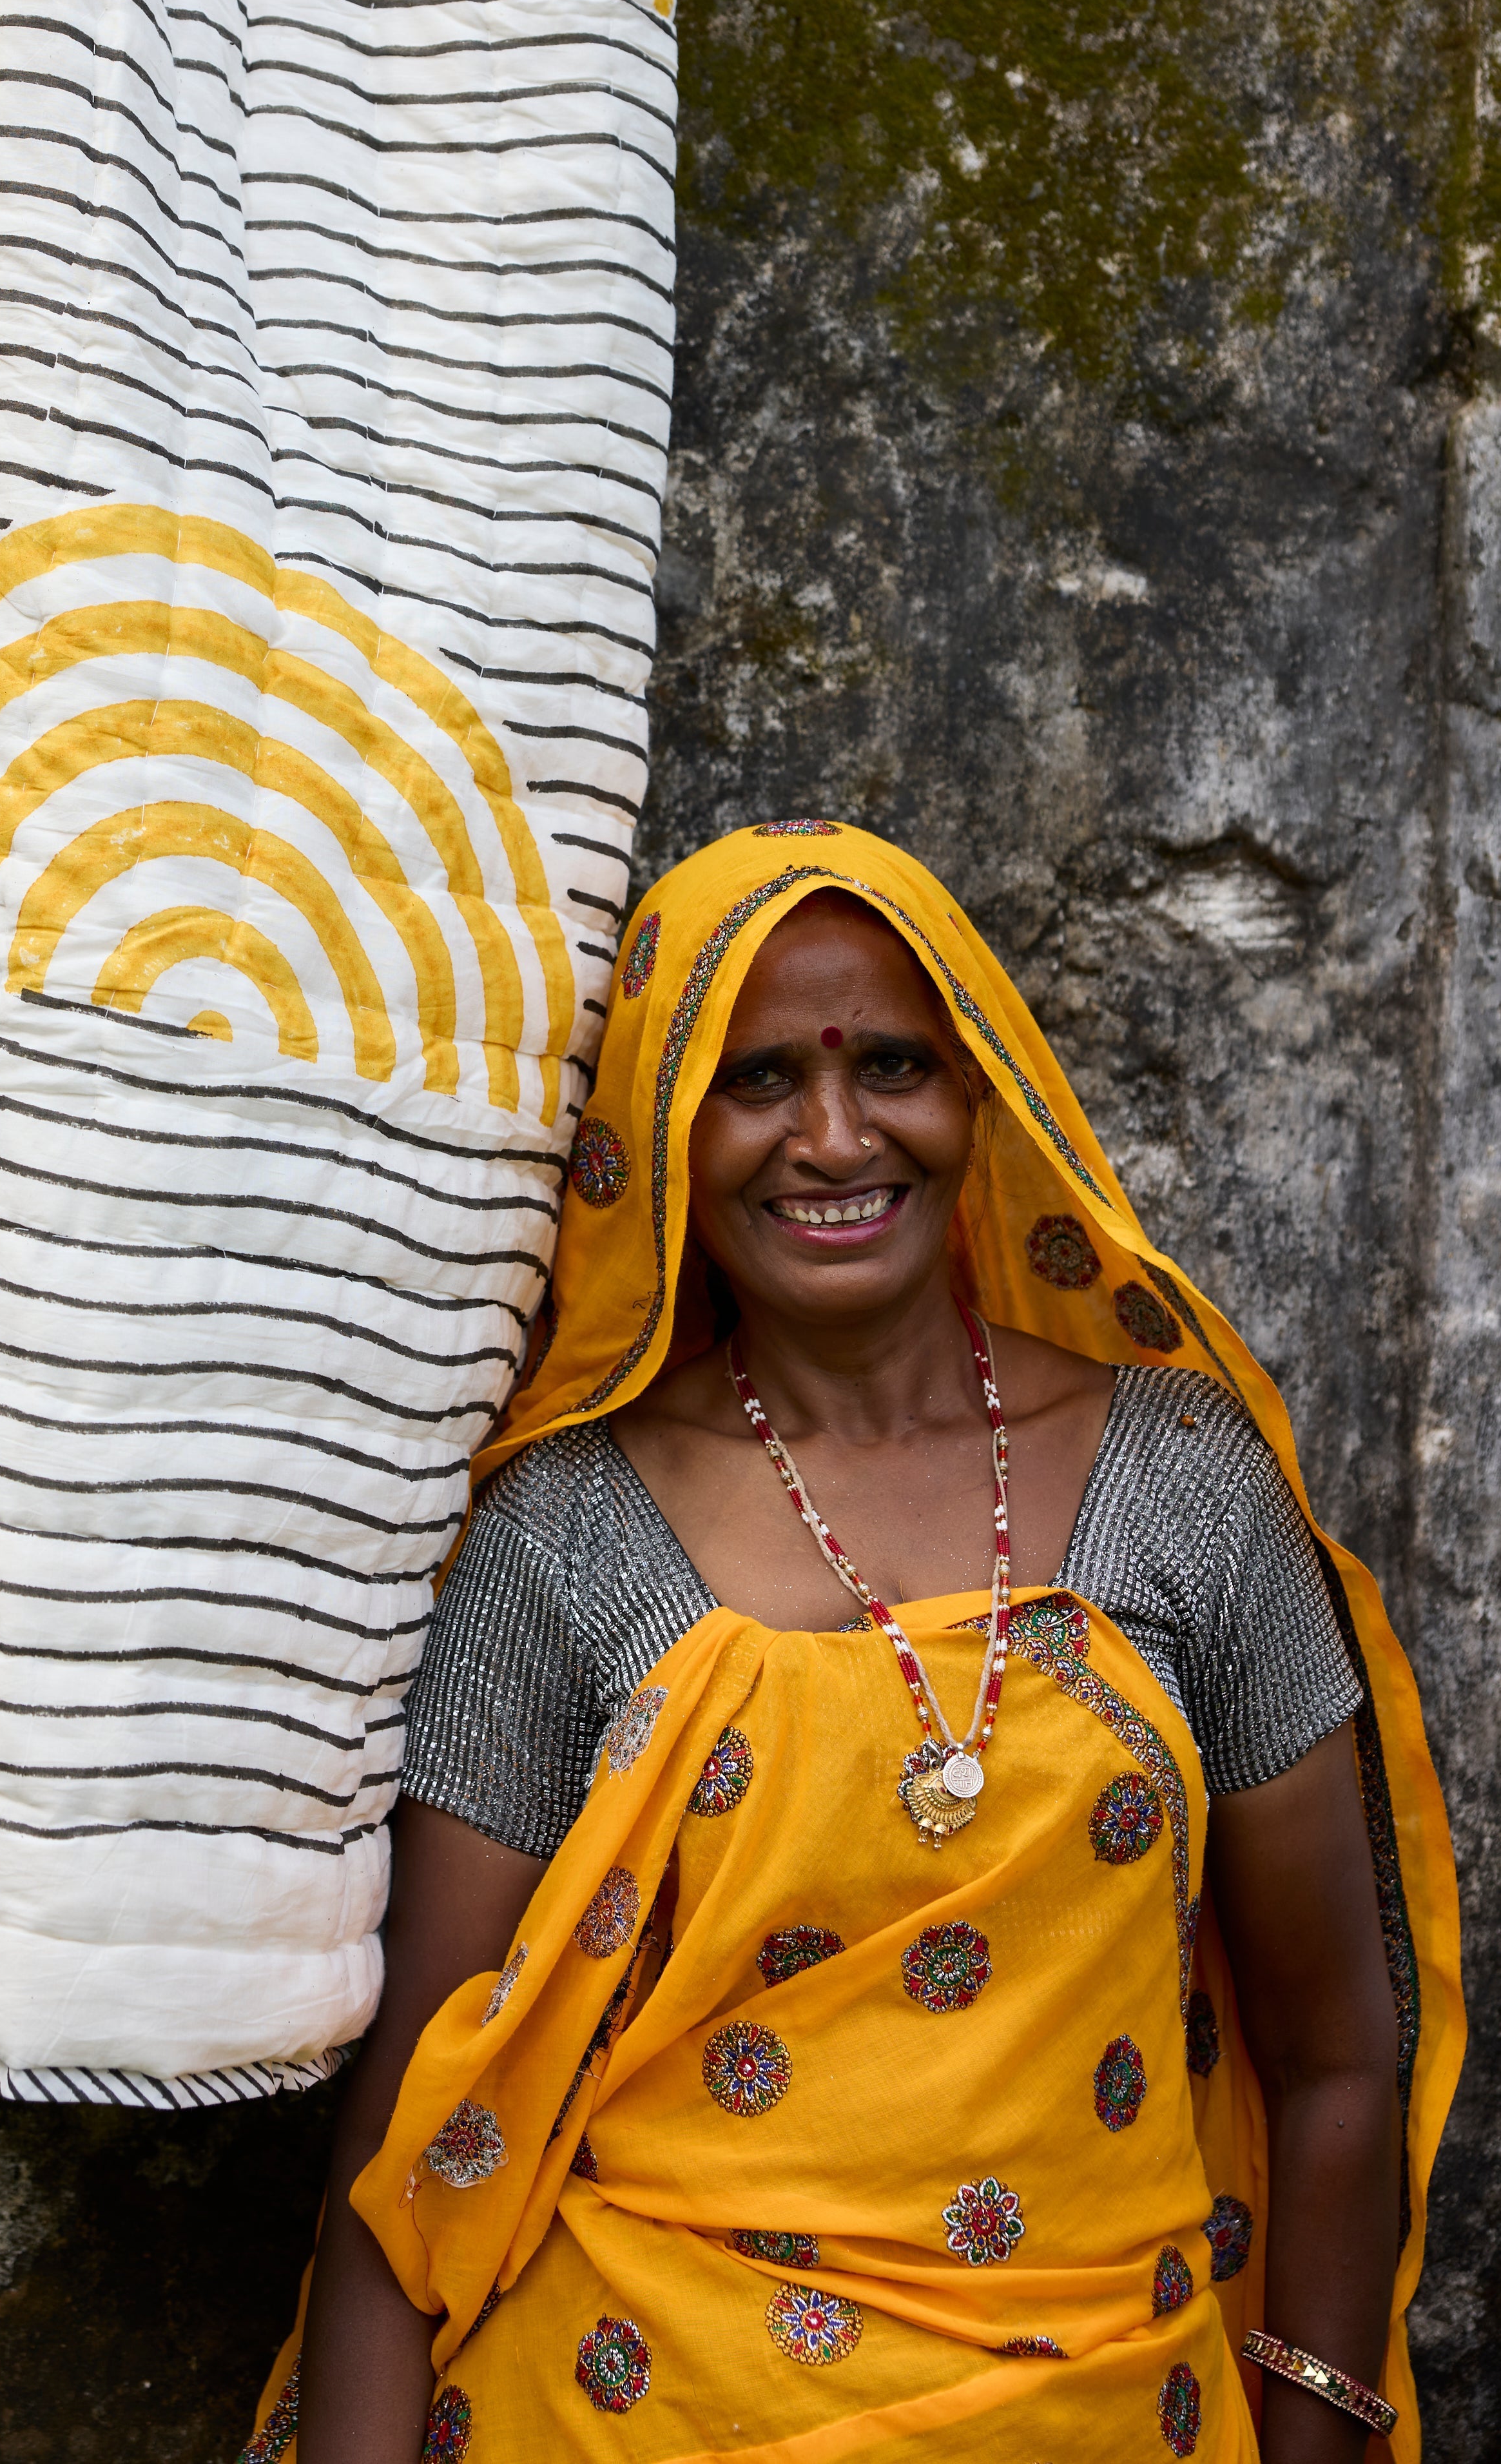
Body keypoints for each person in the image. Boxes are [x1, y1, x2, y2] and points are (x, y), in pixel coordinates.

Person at [240, 825, 1460, 2464]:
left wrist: (1318, 2432)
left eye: (892, 1063)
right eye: (756, 1080)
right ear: (665, 1132)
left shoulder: (1183, 1480)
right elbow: (420, 2131)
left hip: (1103, 2412)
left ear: (979, 1095)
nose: (833, 1135)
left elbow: (1337, 2057)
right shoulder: (562, 1538)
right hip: (625, 2409)